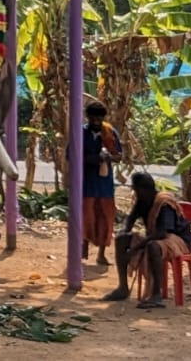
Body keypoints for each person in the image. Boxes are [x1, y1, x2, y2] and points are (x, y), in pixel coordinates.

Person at [102, 172, 191, 309]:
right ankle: (123, 288)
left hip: (176, 239)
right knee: (121, 240)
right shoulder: (142, 201)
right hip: (156, 236)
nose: (135, 192)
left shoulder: (164, 204)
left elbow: (162, 233)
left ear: (143, 189)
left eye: (135, 189)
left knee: (153, 246)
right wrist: (126, 230)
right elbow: (131, 218)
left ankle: (157, 294)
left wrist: (134, 249)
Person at [83, 99, 123, 265]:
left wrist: (108, 157)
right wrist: (93, 159)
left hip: (105, 183)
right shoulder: (80, 133)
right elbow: (71, 156)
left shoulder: (110, 132)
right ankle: (82, 250)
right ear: (88, 118)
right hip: (86, 182)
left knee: (105, 217)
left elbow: (119, 156)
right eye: (94, 119)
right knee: (86, 217)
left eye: (100, 119)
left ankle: (101, 254)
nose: (97, 122)